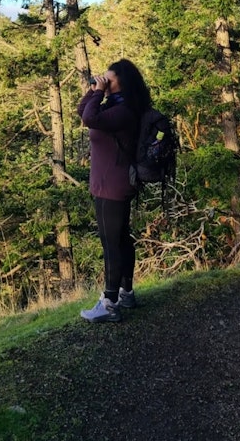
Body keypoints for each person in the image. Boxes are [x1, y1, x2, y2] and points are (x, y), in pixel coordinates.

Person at [77, 58, 152, 323]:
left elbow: (89, 118)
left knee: (111, 244)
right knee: (120, 239)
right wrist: (95, 90)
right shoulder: (117, 105)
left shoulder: (124, 111)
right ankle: (126, 293)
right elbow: (82, 110)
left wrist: (98, 91)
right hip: (110, 182)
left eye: (109, 79)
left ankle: (109, 302)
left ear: (122, 81)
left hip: (113, 185)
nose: (104, 82)